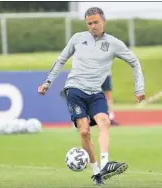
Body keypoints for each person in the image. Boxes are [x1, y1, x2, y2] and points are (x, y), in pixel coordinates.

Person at [38, 7, 145, 186]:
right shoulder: (78, 39)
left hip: (95, 92)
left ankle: (104, 164)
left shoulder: (114, 43)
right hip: (75, 90)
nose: (93, 26)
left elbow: (134, 62)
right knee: (85, 131)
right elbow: (61, 60)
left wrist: (139, 88)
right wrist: (47, 83)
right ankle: (97, 173)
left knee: (105, 121)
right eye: (89, 23)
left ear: (104, 21)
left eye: (96, 22)